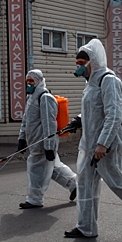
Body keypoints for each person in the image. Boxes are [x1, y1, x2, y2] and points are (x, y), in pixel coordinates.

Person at [63, 39, 122, 238]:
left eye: (82, 63)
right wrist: (78, 120)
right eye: (77, 63)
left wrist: (102, 144)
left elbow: (114, 115)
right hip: (88, 146)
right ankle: (86, 227)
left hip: (105, 146)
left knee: (118, 183)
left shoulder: (109, 80)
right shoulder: (90, 84)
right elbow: (94, 112)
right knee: (84, 186)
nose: (79, 66)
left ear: (93, 61)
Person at [17, 69, 77, 209]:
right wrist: (22, 138)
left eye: (32, 81)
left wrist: (49, 146)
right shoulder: (31, 97)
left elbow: (50, 124)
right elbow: (26, 120)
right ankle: (76, 185)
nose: (29, 84)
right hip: (34, 142)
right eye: (27, 81)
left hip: (42, 143)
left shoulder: (45, 97)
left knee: (36, 170)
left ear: (39, 81)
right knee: (54, 168)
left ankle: (34, 199)